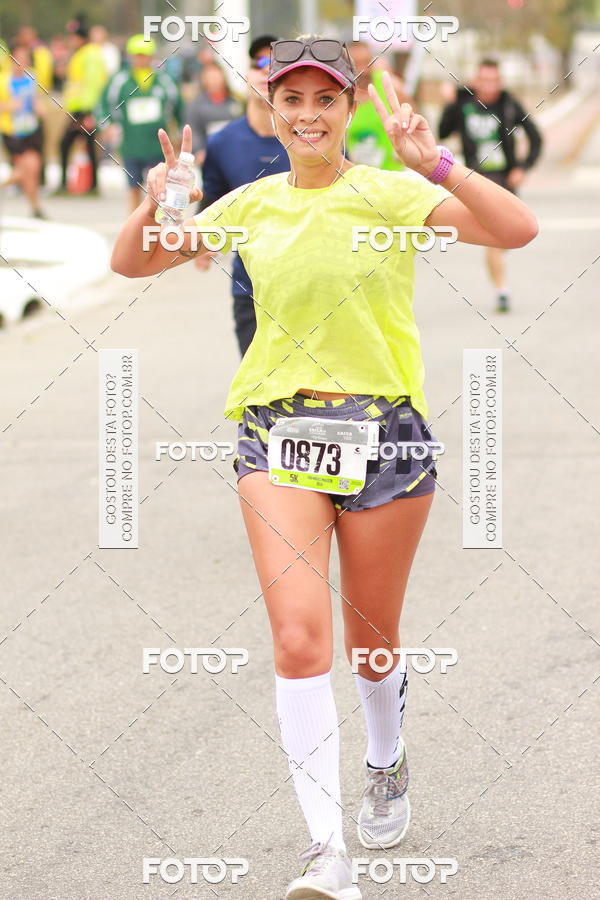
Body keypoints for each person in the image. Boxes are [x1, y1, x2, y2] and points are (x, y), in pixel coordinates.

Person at [111, 35, 538, 900]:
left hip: (386, 437)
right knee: (299, 639)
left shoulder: (390, 193)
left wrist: (436, 163)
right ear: (271, 109)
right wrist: (158, 198)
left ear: (347, 109)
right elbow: (133, 260)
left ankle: (387, 758)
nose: (308, 115)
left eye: (325, 99)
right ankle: (325, 851)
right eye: (292, 99)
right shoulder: (250, 203)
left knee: (370, 645)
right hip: (276, 434)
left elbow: (516, 228)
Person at [196, 34, 289, 356]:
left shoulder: (313, 138)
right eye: (257, 63)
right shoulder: (222, 142)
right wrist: (201, 244)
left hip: (311, 288)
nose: (265, 71)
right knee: (256, 382)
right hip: (248, 288)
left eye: (274, 65)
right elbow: (212, 201)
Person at [439, 58, 542, 312]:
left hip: (505, 179)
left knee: (506, 234)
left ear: (500, 81)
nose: (489, 85)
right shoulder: (464, 104)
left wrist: (523, 167)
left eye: (494, 80)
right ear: (476, 80)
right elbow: (442, 131)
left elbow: (535, 137)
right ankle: (502, 289)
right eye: (484, 80)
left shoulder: (509, 104)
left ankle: (500, 281)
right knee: (494, 237)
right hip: (477, 180)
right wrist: (449, 103)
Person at [97, 34, 183, 214]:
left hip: (157, 144)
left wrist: (180, 133)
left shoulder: (165, 80)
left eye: (145, 54)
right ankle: (134, 221)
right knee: (133, 186)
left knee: (159, 187)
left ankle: (159, 221)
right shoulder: (120, 80)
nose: (141, 59)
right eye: (137, 55)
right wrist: (106, 126)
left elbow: (179, 108)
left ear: (152, 56)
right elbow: (103, 104)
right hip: (131, 143)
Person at [55, 23, 107, 195]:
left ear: (80, 38)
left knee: (65, 144)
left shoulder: (89, 55)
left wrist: (89, 113)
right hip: (79, 108)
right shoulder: (83, 53)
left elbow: (93, 84)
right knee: (89, 146)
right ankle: (93, 186)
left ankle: (67, 184)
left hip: (84, 110)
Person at [346, 41, 409, 170]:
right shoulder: (343, 93)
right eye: (357, 65)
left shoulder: (389, 85)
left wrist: (405, 147)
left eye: (367, 63)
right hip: (359, 174)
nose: (363, 70)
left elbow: (411, 118)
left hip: (393, 172)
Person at [0, 43, 46, 217]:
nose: (21, 62)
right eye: (18, 58)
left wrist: (39, 108)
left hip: (31, 128)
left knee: (32, 169)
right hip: (12, 131)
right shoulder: (4, 80)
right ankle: (35, 207)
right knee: (24, 172)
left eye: (25, 58)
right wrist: (8, 106)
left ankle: (35, 207)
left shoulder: (32, 76)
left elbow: (36, 99)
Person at [185, 63, 243, 167]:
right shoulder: (196, 105)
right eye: (210, 77)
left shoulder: (237, 101)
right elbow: (193, 130)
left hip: (235, 154)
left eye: (216, 76)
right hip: (209, 157)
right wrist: (199, 151)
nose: (214, 81)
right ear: (204, 80)